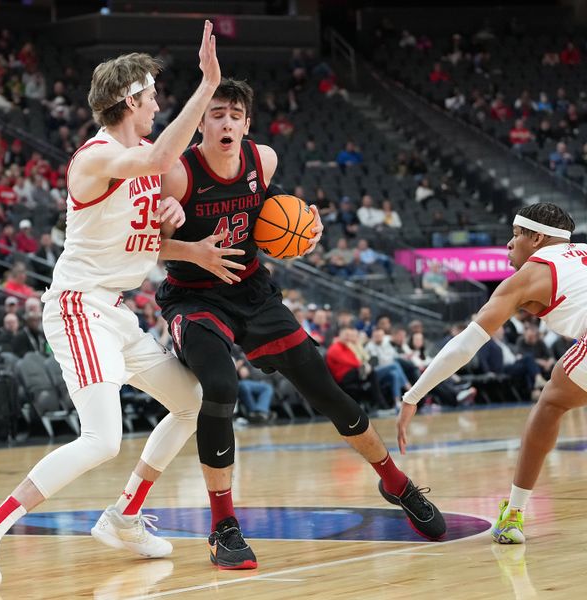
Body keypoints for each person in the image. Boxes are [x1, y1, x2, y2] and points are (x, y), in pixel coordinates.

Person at [0, 21, 239, 589]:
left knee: (193, 400)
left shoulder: (144, 156)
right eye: (152, 97)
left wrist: (177, 235)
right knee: (102, 438)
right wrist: (207, 87)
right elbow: (151, 168)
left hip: (116, 311)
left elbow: (145, 235)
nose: (157, 107)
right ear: (131, 99)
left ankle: (125, 515)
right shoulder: (95, 157)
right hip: (79, 307)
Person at [125, 77, 445, 571]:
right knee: (220, 386)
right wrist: (177, 234)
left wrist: (304, 228)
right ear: (199, 123)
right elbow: (145, 245)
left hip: (252, 290)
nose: (226, 121)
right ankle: (224, 526)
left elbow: (270, 220)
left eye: (235, 114)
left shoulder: (264, 160)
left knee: (327, 392)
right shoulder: (177, 175)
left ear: (247, 124)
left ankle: (396, 483)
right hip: (194, 298)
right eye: (216, 114)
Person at [396, 203, 586, 546]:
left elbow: (464, 346)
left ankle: (514, 514)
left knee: (550, 405)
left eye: (516, 235)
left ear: (538, 237)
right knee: (557, 392)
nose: (509, 245)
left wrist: (413, 396)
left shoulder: (528, 276)